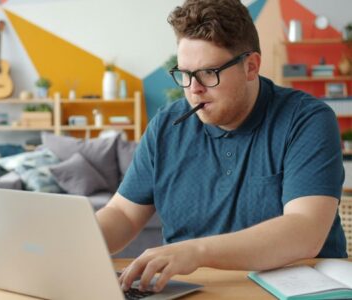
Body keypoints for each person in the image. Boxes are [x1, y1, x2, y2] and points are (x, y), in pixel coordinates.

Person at [96, 0, 348, 293]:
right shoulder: (166, 126)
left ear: (251, 66)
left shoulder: (307, 121)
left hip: (293, 291)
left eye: (207, 73)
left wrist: (196, 252)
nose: (193, 89)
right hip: (187, 291)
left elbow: (305, 230)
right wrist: (69, 243)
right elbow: (124, 214)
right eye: (185, 74)